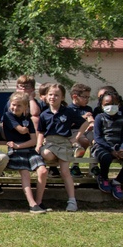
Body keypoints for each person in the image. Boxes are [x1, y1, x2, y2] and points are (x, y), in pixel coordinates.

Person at [37, 83, 86, 212]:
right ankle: (39, 201)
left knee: (65, 172)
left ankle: (72, 201)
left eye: (56, 95)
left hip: (64, 143)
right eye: (50, 95)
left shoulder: (68, 112)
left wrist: (76, 137)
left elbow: (85, 122)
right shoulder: (44, 114)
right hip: (50, 143)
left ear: (62, 97)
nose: (53, 97)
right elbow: (41, 131)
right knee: (46, 154)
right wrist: (38, 144)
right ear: (46, 97)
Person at [3, 92, 48, 214]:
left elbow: (33, 140)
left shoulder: (27, 119)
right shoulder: (8, 116)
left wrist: (20, 145)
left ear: (25, 107)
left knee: (43, 171)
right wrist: (23, 135)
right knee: (25, 173)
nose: (15, 108)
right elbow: (22, 130)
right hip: (16, 152)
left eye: (19, 106)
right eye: (13, 105)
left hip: (28, 150)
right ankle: (31, 204)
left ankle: (39, 202)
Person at [92, 90, 123, 200]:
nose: (110, 107)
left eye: (113, 104)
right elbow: (98, 138)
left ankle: (117, 182)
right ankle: (103, 178)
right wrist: (110, 149)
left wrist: (122, 149)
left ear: (119, 104)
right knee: (106, 158)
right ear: (102, 105)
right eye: (107, 104)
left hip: (119, 148)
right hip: (102, 147)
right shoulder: (99, 118)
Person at [67, 83, 95, 177]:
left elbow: (91, 121)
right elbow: (69, 123)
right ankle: (75, 166)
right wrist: (83, 117)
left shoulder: (88, 108)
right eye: (85, 97)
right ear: (75, 97)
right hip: (74, 131)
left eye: (88, 97)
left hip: (88, 131)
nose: (87, 99)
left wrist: (92, 123)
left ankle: (93, 166)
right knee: (83, 141)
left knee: (96, 141)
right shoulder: (69, 109)